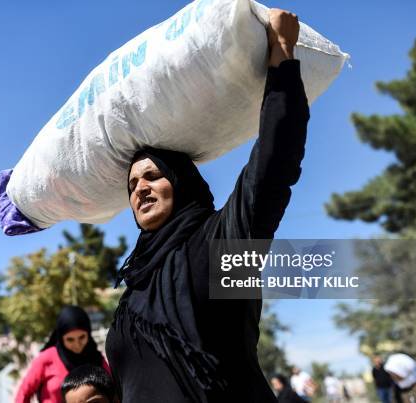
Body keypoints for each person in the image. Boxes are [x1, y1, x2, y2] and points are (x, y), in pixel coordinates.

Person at [105, 8, 310, 402]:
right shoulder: (134, 288)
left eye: (153, 176)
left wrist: (282, 55)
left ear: (182, 184)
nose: (140, 190)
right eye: (132, 184)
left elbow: (272, 168)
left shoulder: (217, 245)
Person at [16, 306, 111, 403]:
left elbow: (114, 391)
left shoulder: (97, 359)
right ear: (61, 338)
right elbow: (23, 394)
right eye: (70, 339)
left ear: (89, 333)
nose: (77, 344)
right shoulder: (46, 358)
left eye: (82, 337)